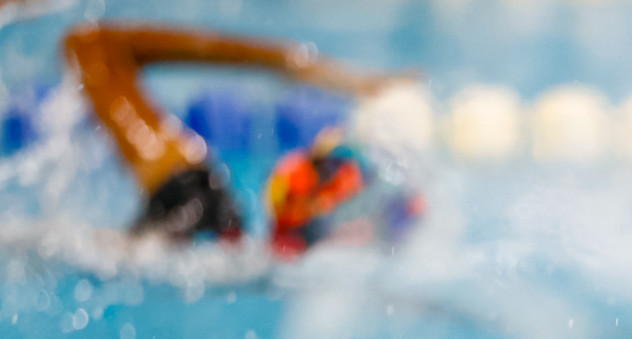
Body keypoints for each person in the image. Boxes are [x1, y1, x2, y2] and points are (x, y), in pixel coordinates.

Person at [59, 21, 412, 248]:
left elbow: (214, 49)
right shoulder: (105, 42)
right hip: (203, 185)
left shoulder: (84, 45)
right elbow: (218, 49)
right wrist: (345, 79)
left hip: (180, 197)